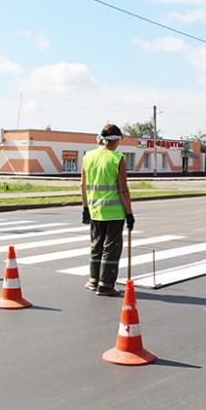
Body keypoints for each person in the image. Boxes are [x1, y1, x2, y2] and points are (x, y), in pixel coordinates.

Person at [81, 123, 135, 296]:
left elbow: (83, 184)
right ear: (115, 140)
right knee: (111, 248)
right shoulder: (117, 159)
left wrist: (85, 208)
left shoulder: (87, 156)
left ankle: (93, 281)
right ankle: (105, 285)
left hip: (94, 210)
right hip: (113, 213)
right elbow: (123, 189)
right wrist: (129, 213)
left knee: (96, 246)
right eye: (119, 140)